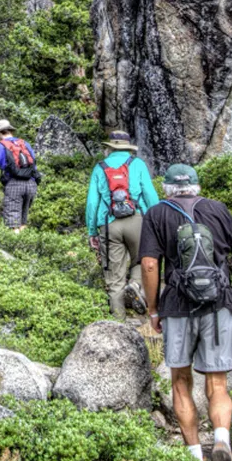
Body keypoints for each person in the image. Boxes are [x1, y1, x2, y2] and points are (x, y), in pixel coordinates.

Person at [139, 163, 232, 461]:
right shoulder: (218, 209)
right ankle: (221, 440)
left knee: (180, 380)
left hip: (177, 307)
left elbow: (150, 263)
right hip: (221, 304)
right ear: (196, 186)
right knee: (217, 384)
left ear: (166, 189)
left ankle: (194, 460)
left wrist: (153, 310)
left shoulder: (156, 214)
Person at [85, 130, 160, 321]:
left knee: (114, 277)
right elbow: (150, 194)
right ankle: (135, 284)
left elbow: (92, 203)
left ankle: (119, 323)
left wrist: (92, 231)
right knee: (140, 259)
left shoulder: (99, 168)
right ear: (128, 148)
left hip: (109, 224)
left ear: (109, 148)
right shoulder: (137, 164)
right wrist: (157, 221)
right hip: (137, 219)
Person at [0, 119, 40, 232]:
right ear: (11, 131)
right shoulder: (25, 144)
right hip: (30, 184)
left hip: (13, 184)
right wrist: (33, 182)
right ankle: (25, 246)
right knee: (23, 221)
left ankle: (15, 248)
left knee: (13, 223)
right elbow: (34, 166)